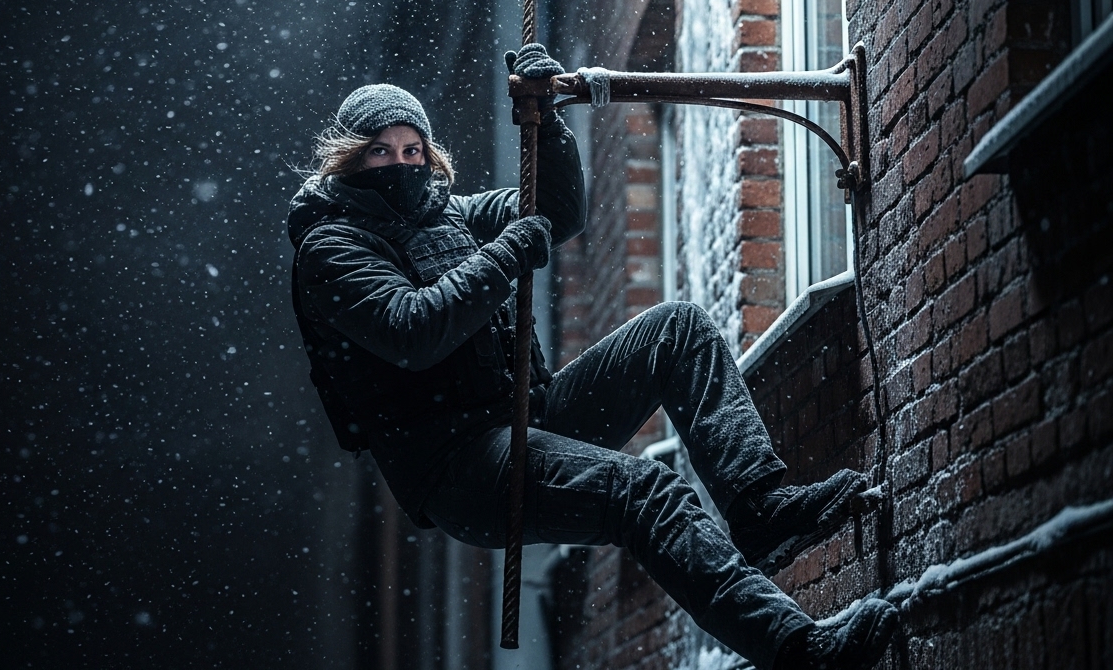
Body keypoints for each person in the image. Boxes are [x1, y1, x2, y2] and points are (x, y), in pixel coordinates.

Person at [286, 45, 898, 670]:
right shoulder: (331, 248)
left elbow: (556, 212)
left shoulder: (451, 215)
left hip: (533, 415)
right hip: (461, 466)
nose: (400, 164)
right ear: (348, 161)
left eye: (412, 149)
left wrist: (545, 117)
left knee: (676, 331)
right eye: (380, 152)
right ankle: (799, 650)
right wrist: (507, 255)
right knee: (645, 492)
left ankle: (760, 508)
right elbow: (413, 330)